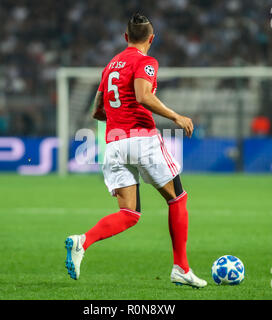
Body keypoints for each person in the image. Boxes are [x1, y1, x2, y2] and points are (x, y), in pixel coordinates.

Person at [65, 13, 207, 288]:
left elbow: (97, 109)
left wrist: (115, 115)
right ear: (151, 39)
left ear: (125, 37)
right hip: (141, 139)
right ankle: (181, 268)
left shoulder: (111, 66)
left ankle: (83, 241)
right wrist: (176, 116)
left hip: (114, 143)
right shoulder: (146, 62)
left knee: (129, 213)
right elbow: (143, 95)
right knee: (178, 199)